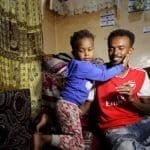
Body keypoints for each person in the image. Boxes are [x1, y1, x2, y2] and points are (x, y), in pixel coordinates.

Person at [33, 29, 128, 150]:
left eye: (89, 50)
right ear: (74, 52)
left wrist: (109, 64)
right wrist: (121, 66)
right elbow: (103, 75)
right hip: (69, 105)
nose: (87, 54)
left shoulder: (76, 64)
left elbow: (99, 68)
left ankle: (46, 134)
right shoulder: (82, 66)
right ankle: (43, 138)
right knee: (78, 144)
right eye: (82, 51)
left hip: (67, 105)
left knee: (75, 137)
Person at [95, 29, 150, 150]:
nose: (115, 53)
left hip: (141, 123)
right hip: (115, 129)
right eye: (111, 48)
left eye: (121, 48)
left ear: (130, 51)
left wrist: (132, 100)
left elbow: (148, 110)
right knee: (125, 147)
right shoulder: (98, 72)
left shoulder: (141, 74)